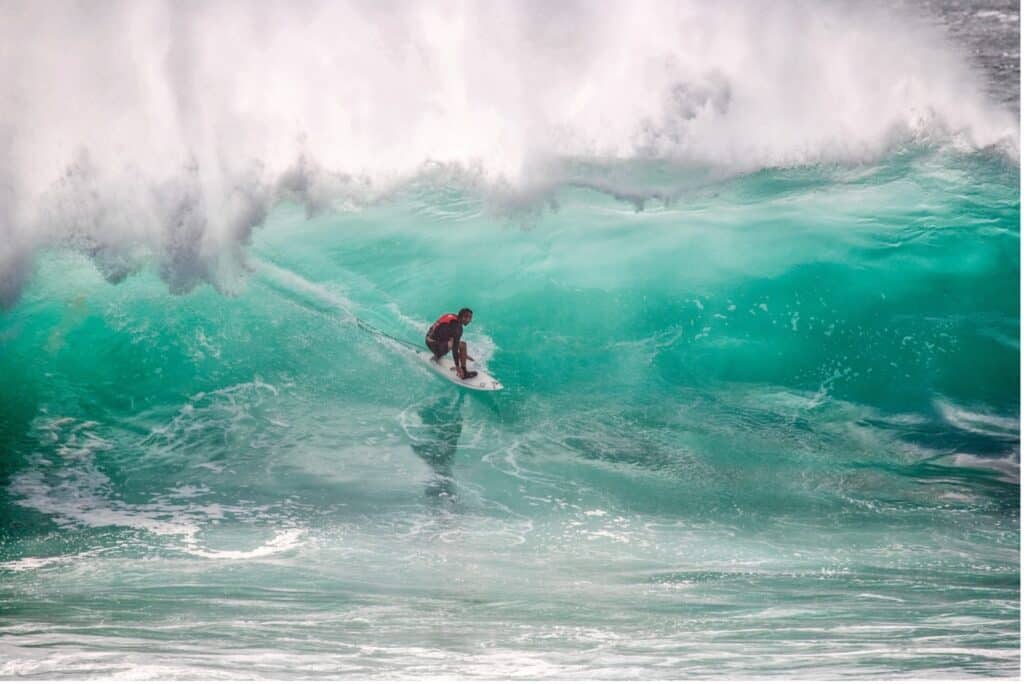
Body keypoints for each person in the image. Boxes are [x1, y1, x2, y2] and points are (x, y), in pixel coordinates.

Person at [426, 308, 477, 379]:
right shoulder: (457, 328)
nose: (470, 321)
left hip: (428, 340)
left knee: (454, 342)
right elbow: (454, 348)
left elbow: (442, 332)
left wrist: (462, 354)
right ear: (464, 317)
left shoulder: (451, 316)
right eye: (469, 318)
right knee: (462, 345)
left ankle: (437, 355)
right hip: (434, 345)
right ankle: (464, 373)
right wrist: (457, 366)